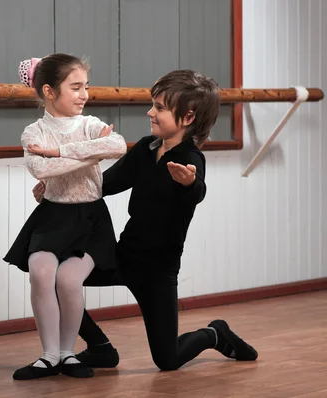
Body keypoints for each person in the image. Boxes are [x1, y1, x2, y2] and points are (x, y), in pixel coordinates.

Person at [32, 69, 258, 371]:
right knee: (58, 279)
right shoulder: (145, 149)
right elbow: (102, 186)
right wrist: (55, 188)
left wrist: (190, 183)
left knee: (168, 360)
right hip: (122, 257)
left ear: (188, 117)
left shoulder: (190, 159)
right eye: (153, 104)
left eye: (160, 108)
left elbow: (197, 192)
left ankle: (215, 333)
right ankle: (100, 348)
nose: (150, 112)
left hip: (157, 272)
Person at [4, 53, 127, 380]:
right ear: (49, 91)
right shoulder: (34, 132)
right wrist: (91, 155)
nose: (84, 94)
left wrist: (61, 152)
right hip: (53, 216)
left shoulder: (89, 124)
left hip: (90, 219)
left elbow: (117, 146)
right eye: (75, 87)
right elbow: (40, 169)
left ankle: (69, 352)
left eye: (86, 86)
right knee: (41, 273)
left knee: (68, 280)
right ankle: (50, 355)